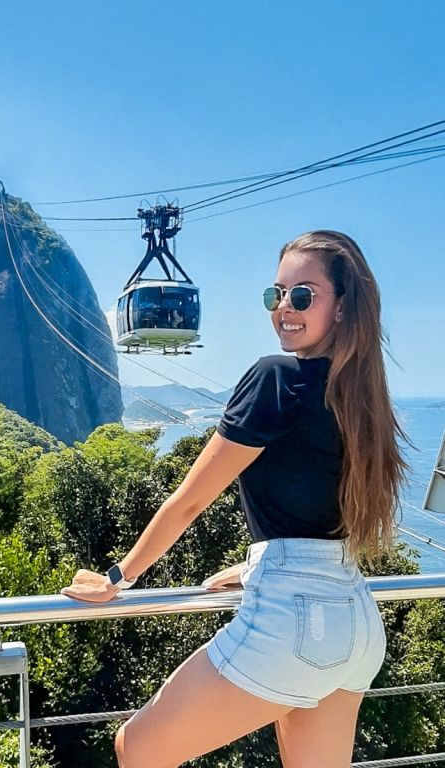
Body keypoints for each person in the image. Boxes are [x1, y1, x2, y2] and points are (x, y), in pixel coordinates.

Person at [62, 230, 408, 768]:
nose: (284, 309)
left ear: (342, 307)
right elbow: (317, 511)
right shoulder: (360, 398)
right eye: (276, 294)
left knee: (138, 748)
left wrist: (117, 578)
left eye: (303, 295)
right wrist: (255, 565)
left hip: (294, 621)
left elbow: (189, 501)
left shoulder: (275, 378)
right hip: (356, 623)